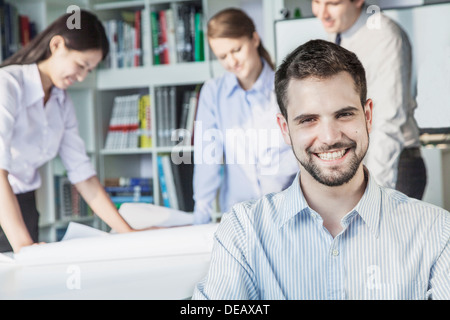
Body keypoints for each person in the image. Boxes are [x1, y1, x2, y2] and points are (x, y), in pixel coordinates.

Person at [192, 40, 450, 300]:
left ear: (368, 116)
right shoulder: (243, 231)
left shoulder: (436, 231)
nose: (328, 137)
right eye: (308, 120)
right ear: (285, 130)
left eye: (344, 115)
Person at [0, 10, 136, 253]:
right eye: (81, 65)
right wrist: (24, 247)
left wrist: (130, 235)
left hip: (24, 204)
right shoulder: (7, 85)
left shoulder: (61, 102)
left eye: (89, 70)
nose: (82, 77)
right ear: (57, 45)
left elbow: (83, 175)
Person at [312, 0, 427, 200]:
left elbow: (388, 122)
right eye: (316, 1)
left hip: (391, 165)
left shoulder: (385, 36)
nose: (322, 13)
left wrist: (377, 194)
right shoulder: (338, 32)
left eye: (333, 3)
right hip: (358, 165)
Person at [192, 8, 297, 224]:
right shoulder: (213, 92)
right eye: (222, 56)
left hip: (290, 214)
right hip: (239, 220)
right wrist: (199, 220)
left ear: (255, 39)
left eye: (236, 50)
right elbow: (207, 160)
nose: (232, 62)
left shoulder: (288, 86)